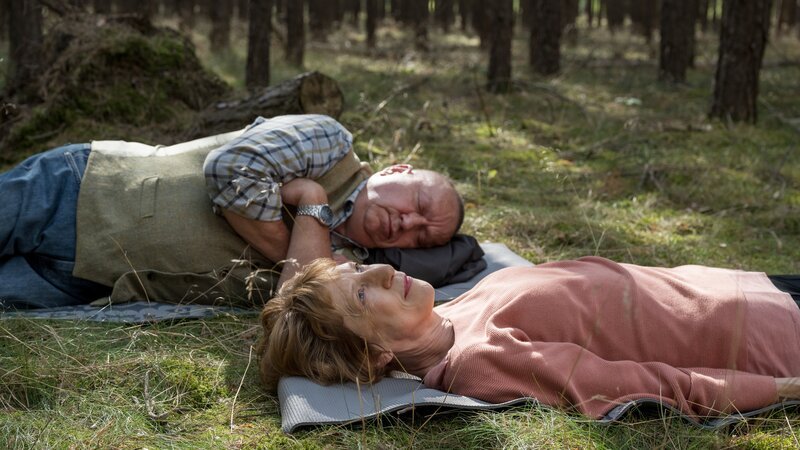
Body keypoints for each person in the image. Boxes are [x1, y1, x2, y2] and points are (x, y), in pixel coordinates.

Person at [0, 115, 463, 310]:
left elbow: (299, 308)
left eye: (420, 237)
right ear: (398, 168)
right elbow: (230, 168)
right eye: (417, 204)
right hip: (80, 191)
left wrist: (308, 213)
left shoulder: (354, 271)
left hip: (90, 277)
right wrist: (305, 243)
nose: (408, 223)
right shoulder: (330, 143)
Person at [258, 257, 800, 420]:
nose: (377, 271)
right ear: (373, 354)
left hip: (753, 288)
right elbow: (645, 387)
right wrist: (782, 388)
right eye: (358, 296)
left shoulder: (456, 304)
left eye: (356, 269)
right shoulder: (479, 359)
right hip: (776, 337)